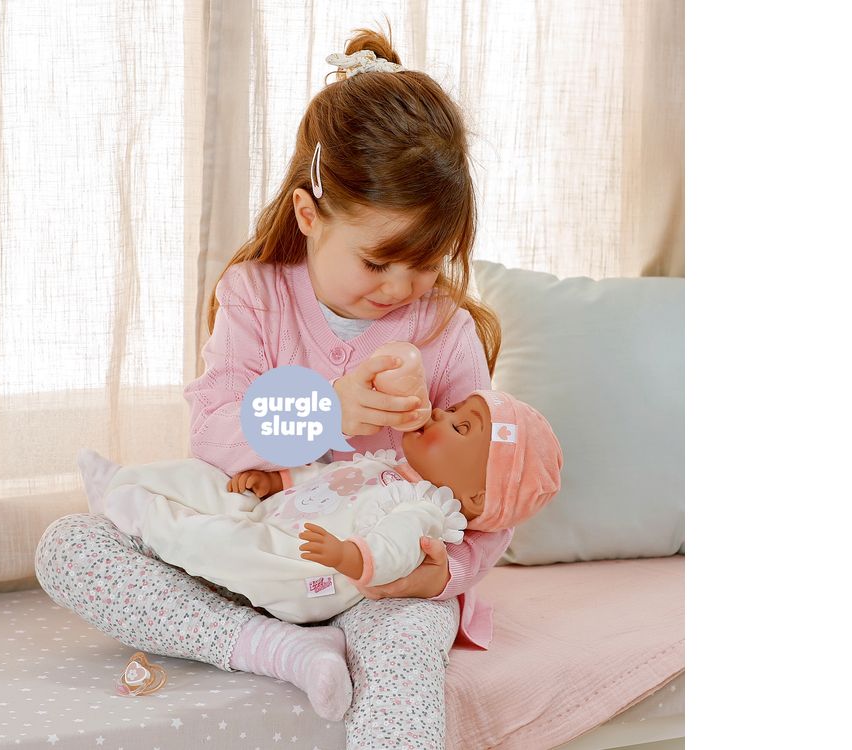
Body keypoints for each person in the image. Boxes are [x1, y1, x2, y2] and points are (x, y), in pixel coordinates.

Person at [37, 29, 506, 747]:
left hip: (372, 579)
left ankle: (340, 641)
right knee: (70, 547)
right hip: (250, 552)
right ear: (308, 216)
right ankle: (276, 649)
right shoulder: (254, 295)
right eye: (377, 262)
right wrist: (328, 411)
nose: (400, 288)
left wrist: (440, 577)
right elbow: (213, 435)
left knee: (409, 646)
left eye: (426, 263)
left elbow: (493, 489)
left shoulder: (444, 330)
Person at [79, 390, 561, 627]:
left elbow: (393, 552)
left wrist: (349, 557)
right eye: (455, 410)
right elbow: (330, 479)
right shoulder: (388, 467)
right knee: (207, 480)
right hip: (276, 517)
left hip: (307, 572)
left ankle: (141, 516)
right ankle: (124, 479)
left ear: (477, 497)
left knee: (220, 542)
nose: (440, 411)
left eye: (460, 427)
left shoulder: (424, 510)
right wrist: (277, 480)